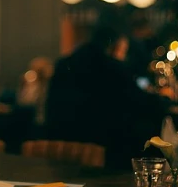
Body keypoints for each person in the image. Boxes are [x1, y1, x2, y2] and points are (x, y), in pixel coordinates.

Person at [45, 25, 169, 170]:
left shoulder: (65, 63)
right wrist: (163, 99)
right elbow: (142, 103)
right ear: (115, 46)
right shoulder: (112, 67)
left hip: (60, 142)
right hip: (103, 150)